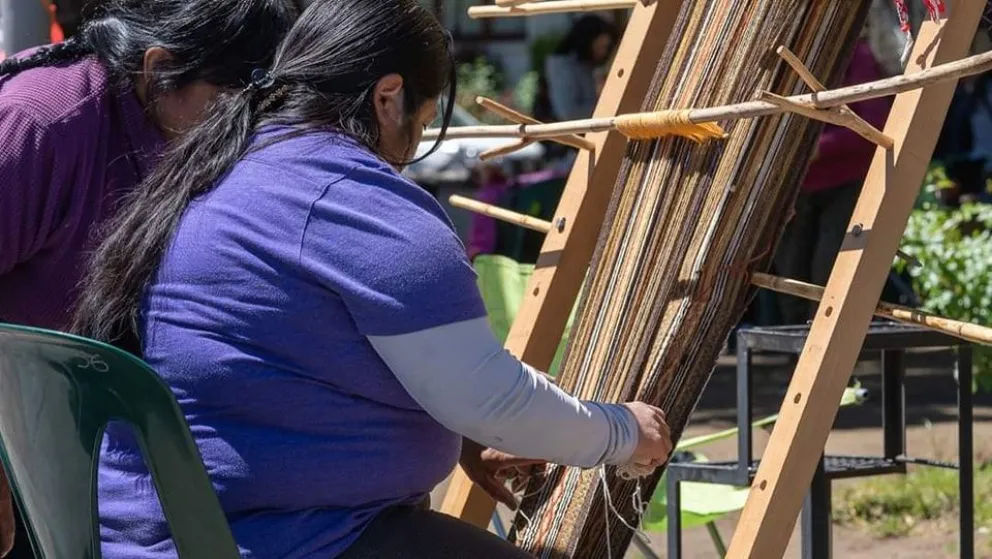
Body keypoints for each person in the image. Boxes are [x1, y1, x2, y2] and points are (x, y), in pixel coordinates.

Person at [71, 1, 674, 557]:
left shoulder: (221, 171)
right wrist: (623, 432)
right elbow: (491, 400)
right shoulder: (351, 201)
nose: (413, 146)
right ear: (389, 97)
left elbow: (290, 359)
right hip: (275, 539)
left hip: (161, 535)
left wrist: (464, 428)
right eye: (424, 121)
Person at [0, 1, 302, 557]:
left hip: (84, 438)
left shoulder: (197, 137)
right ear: (159, 69)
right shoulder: (40, 124)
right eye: (236, 100)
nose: (254, 124)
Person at [773, 36, 893, 325]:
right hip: (796, 187)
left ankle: (824, 342)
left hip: (843, 184)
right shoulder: (785, 59)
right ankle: (799, 345)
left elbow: (874, 124)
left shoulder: (855, 55)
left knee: (829, 271)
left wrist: (820, 148)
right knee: (790, 273)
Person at [535, 14, 618, 124]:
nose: (603, 53)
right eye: (599, 47)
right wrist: (607, 109)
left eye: (606, 48)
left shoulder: (585, 65)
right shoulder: (563, 67)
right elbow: (568, 113)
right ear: (587, 42)